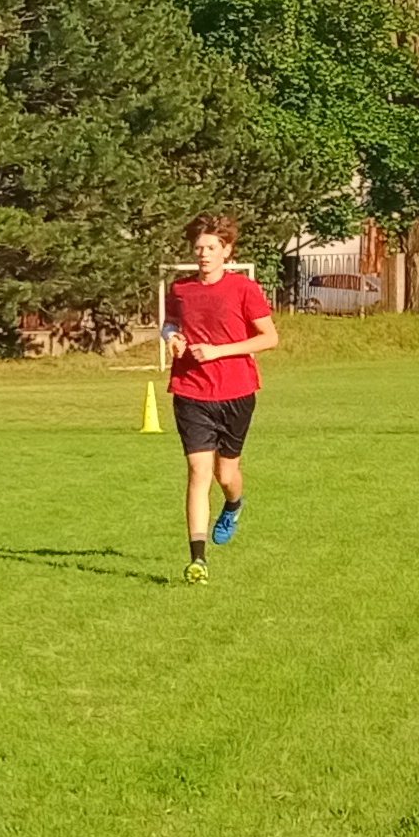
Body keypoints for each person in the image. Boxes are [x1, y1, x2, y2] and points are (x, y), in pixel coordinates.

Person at [161, 213, 276, 584]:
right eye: (199, 248)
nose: (204, 254)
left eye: (212, 247)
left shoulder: (243, 289)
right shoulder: (180, 289)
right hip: (190, 390)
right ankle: (198, 559)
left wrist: (218, 351)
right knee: (198, 472)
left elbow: (269, 338)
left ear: (227, 251)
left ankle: (234, 503)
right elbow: (170, 323)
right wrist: (172, 337)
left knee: (225, 475)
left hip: (236, 392)